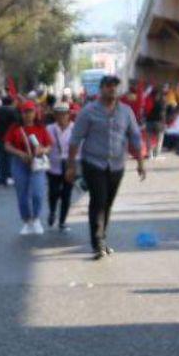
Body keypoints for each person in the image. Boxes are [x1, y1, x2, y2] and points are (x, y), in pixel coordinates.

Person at [66, 75, 147, 261]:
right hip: (94, 163)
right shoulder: (88, 111)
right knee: (98, 200)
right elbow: (75, 139)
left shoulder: (126, 112)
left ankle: (103, 237)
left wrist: (141, 162)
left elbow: (135, 136)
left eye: (115, 87)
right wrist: (71, 166)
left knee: (108, 203)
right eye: (109, 86)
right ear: (101, 89)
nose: (112, 90)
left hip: (117, 164)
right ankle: (97, 243)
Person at [4, 101, 51, 235]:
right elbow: (7, 145)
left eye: (31, 111)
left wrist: (42, 150)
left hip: (37, 163)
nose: (28, 115)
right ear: (21, 113)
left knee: (37, 192)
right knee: (22, 194)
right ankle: (27, 221)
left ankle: (36, 218)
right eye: (25, 112)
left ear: (35, 113)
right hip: (19, 163)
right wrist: (20, 153)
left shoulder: (41, 128)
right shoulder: (15, 128)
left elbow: (49, 146)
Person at [45, 103, 75, 232]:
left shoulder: (75, 129)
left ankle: (62, 221)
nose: (62, 117)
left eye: (64, 114)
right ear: (55, 116)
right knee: (53, 192)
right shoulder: (49, 129)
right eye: (59, 114)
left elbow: (80, 147)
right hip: (53, 165)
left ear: (69, 115)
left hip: (70, 165)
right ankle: (52, 212)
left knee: (66, 195)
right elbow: (44, 144)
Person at [0, 96, 20, 186]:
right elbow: (17, 123)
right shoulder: (13, 111)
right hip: (9, 137)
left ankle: (1, 178)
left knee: (2, 157)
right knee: (9, 157)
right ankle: (9, 176)